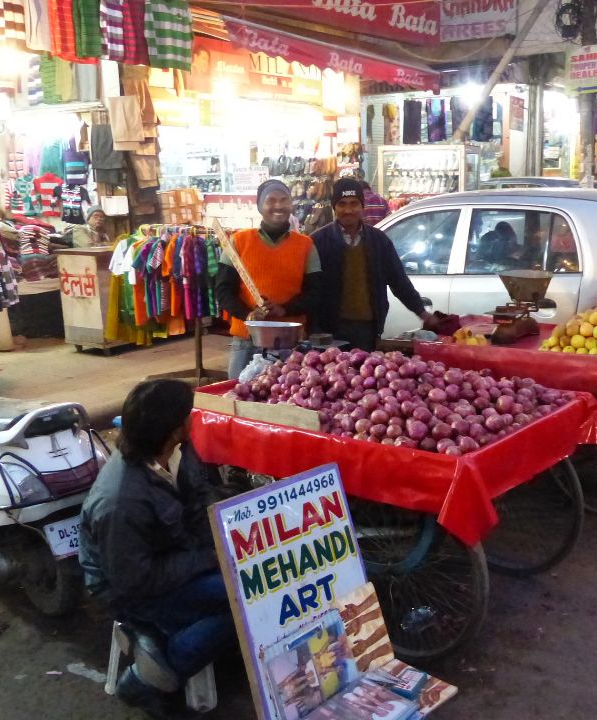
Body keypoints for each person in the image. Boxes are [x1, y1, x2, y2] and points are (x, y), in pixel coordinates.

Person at [79, 380, 234, 719]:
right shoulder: (121, 500)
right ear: (174, 428)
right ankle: (149, 678)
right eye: (189, 414)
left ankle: (163, 638)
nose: (193, 419)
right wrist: (208, 558)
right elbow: (134, 581)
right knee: (241, 601)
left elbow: (199, 496)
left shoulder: (177, 451)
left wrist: (226, 531)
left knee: (252, 584)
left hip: (174, 554)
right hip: (128, 589)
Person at [310, 177, 434, 350]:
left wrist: (421, 312)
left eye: (354, 203)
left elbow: (399, 281)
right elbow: (311, 290)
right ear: (334, 207)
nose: (348, 210)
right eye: (342, 204)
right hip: (329, 332)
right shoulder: (318, 242)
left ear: (362, 206)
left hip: (367, 330)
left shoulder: (379, 241)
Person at [215, 179, 322, 378]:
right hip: (247, 341)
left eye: (284, 200)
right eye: (271, 200)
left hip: (289, 343)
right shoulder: (238, 242)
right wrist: (248, 315)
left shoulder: (306, 245)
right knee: (238, 392)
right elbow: (222, 290)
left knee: (287, 394)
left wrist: (285, 309)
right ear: (260, 207)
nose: (278, 206)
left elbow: (316, 292)